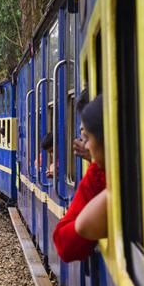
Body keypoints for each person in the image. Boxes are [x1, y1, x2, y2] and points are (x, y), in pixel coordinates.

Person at [53, 95, 107, 262]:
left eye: (87, 137)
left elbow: (66, 244)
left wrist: (97, 166)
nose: (86, 145)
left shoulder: (103, 177)